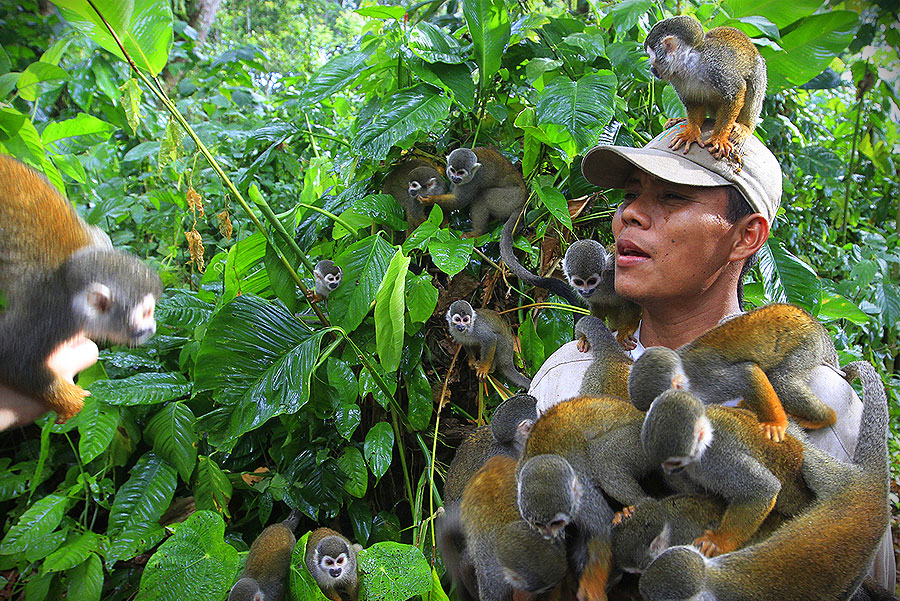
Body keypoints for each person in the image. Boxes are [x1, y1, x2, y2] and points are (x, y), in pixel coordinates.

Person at [528, 118, 896, 591]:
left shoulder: (823, 404)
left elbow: (861, 571)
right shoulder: (565, 373)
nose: (629, 216)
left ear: (746, 236)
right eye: (630, 196)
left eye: (673, 197)